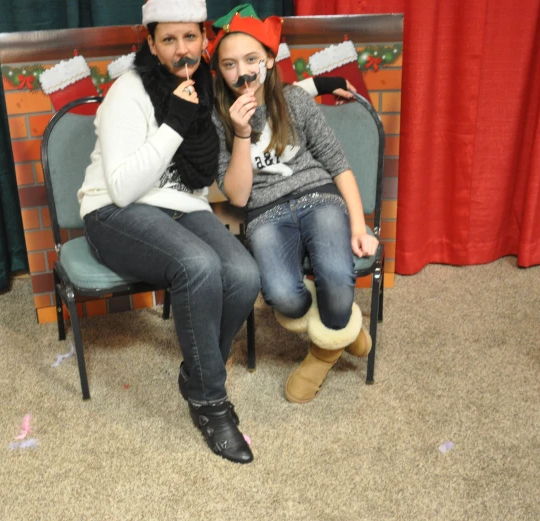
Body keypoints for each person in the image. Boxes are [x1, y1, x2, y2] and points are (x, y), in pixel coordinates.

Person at [78, 0, 257, 464]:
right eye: (169, 40)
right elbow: (122, 187)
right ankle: (210, 403)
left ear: (204, 37)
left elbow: (208, 179)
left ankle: (198, 372)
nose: (183, 50)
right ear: (152, 44)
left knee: (242, 272)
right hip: (113, 211)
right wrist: (174, 123)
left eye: (190, 38)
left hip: (179, 206)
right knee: (197, 266)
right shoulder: (129, 91)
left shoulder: (205, 88)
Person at [207, 10, 380, 404]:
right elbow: (237, 196)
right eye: (230, 65)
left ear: (269, 59)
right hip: (265, 212)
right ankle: (347, 332)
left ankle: (324, 351)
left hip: (319, 196)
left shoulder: (296, 100)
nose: (243, 73)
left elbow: (338, 164)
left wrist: (358, 225)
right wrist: (240, 133)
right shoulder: (219, 120)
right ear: (219, 71)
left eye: (252, 60)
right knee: (282, 295)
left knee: (338, 279)